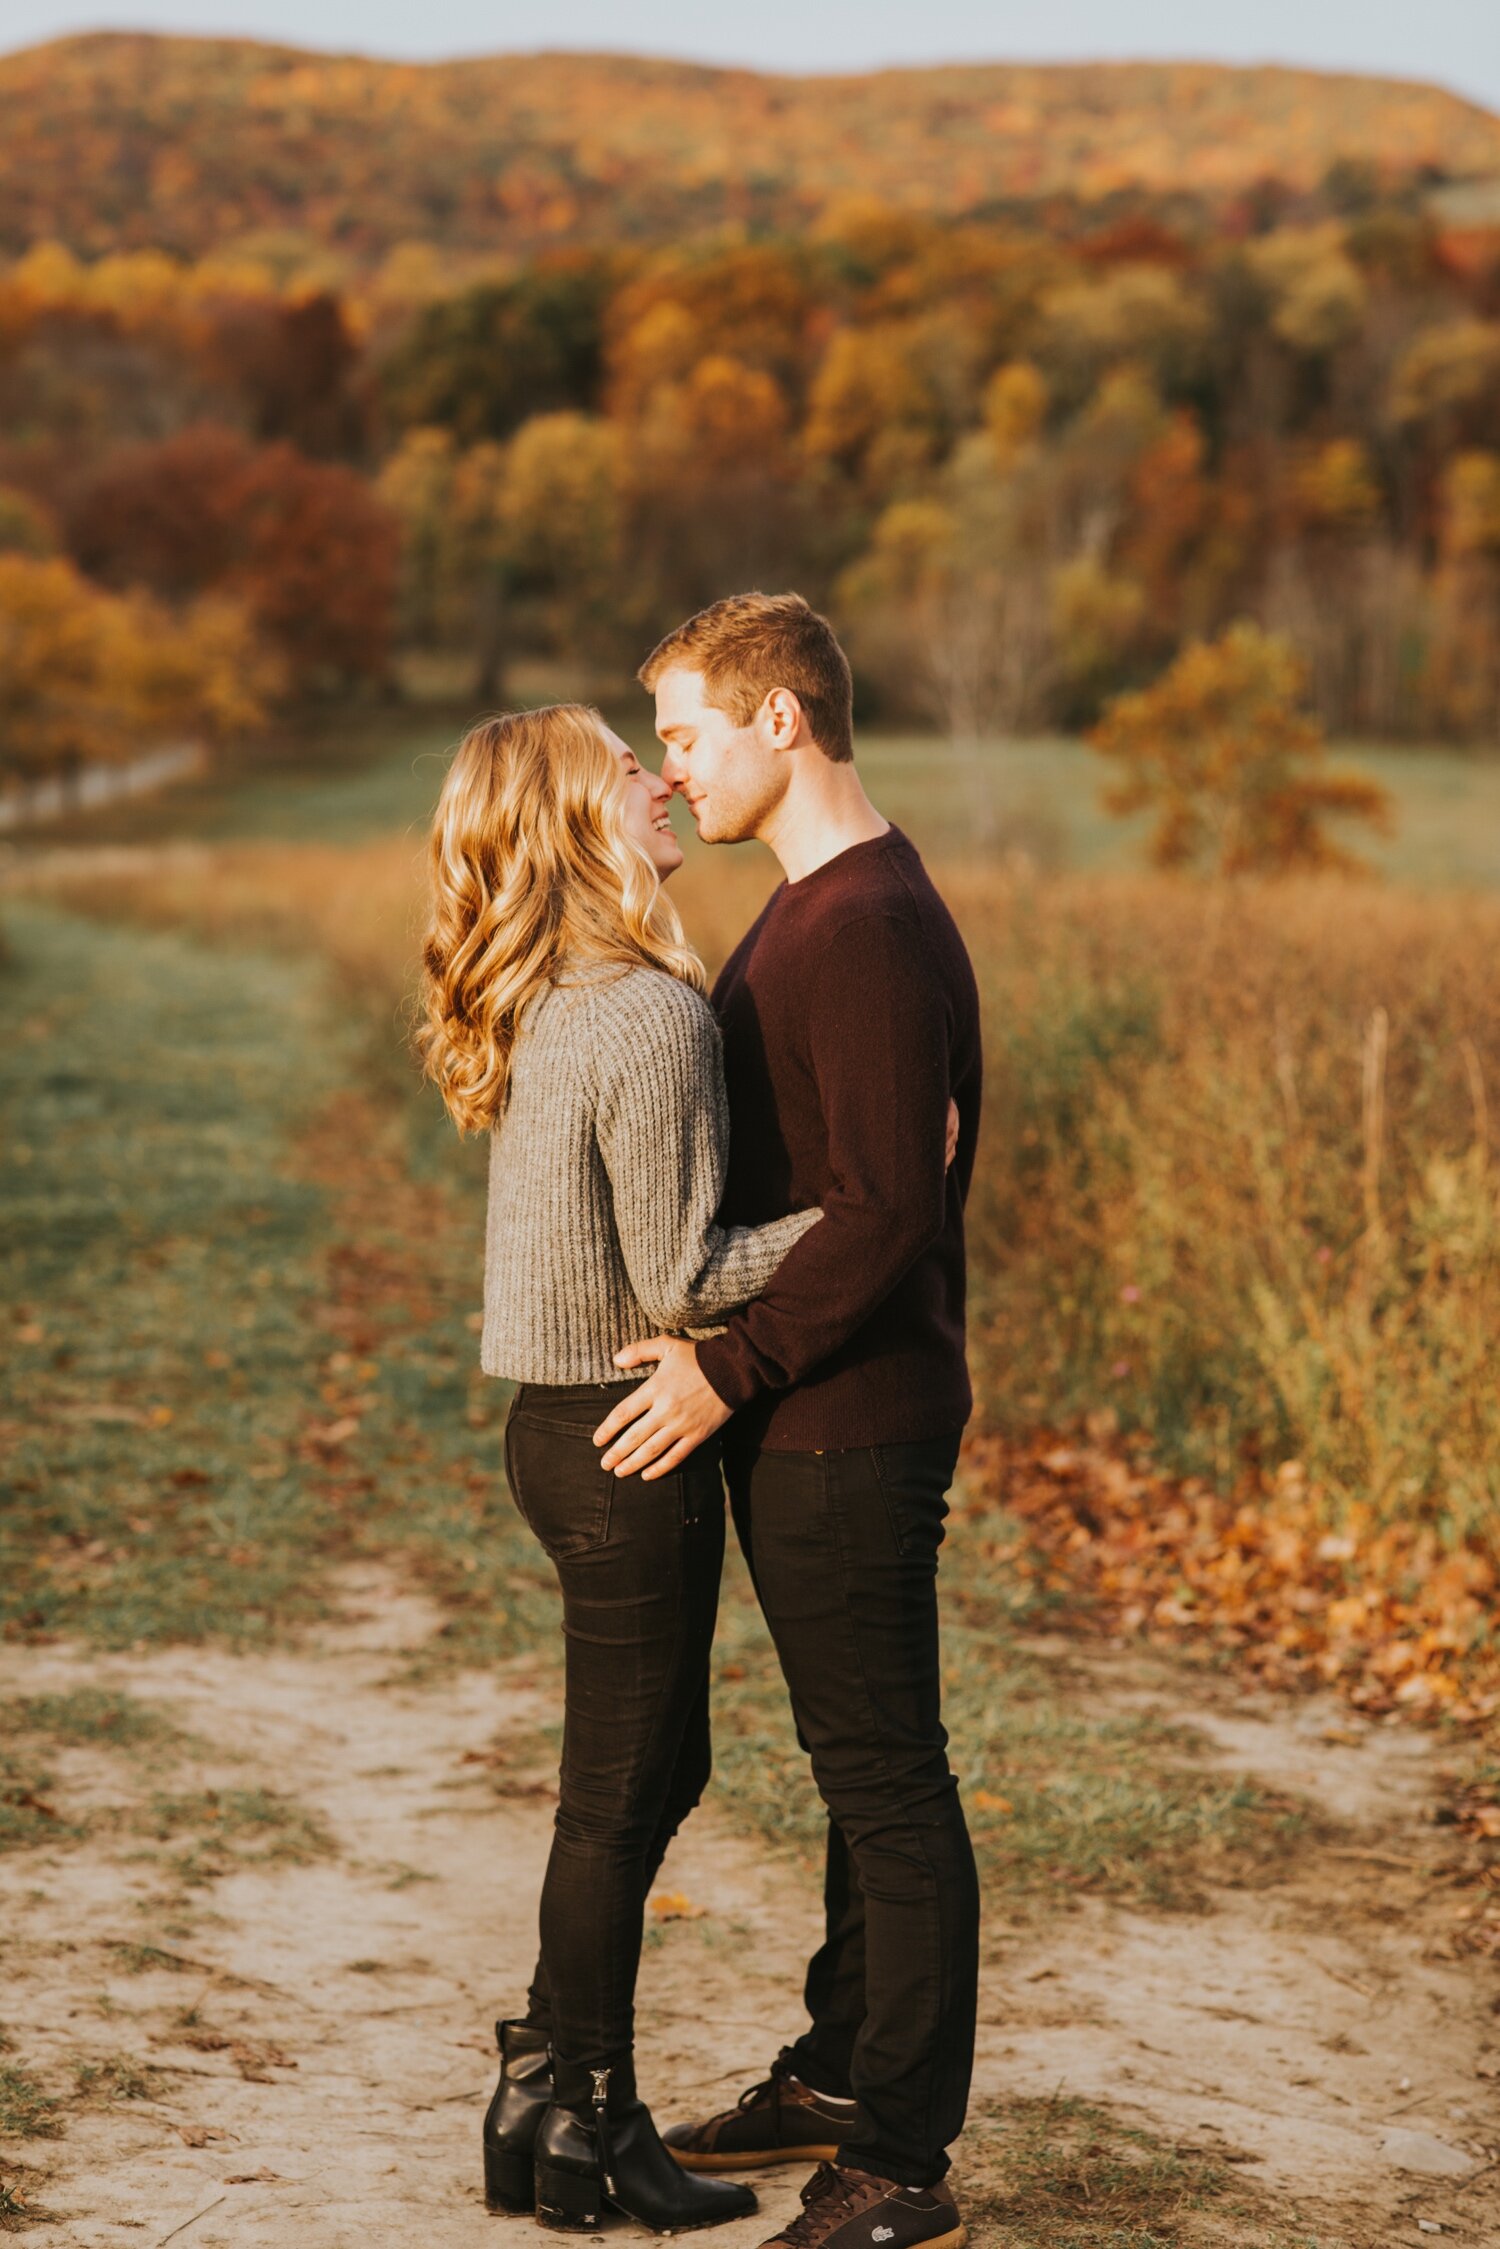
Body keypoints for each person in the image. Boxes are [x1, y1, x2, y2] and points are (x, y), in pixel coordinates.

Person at [592, 593, 981, 2249]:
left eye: (683, 732)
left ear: (782, 721)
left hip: (852, 1417)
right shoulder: (811, 905)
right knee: (849, 1767)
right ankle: (834, 2070)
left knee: (889, 1778)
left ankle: (899, 2156)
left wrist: (725, 1370)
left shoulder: (871, 923)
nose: (670, 771)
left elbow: (888, 1210)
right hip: (807, 1406)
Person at [417, 702, 823, 2234]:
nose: (660, 783)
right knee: (615, 1793)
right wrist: (864, 1209)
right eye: (624, 768)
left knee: (657, 1769)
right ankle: (591, 2116)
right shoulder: (645, 1009)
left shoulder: (551, 990)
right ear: (582, 823)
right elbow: (686, 1272)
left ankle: (541, 2073)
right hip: (627, 1429)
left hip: (555, 1426)